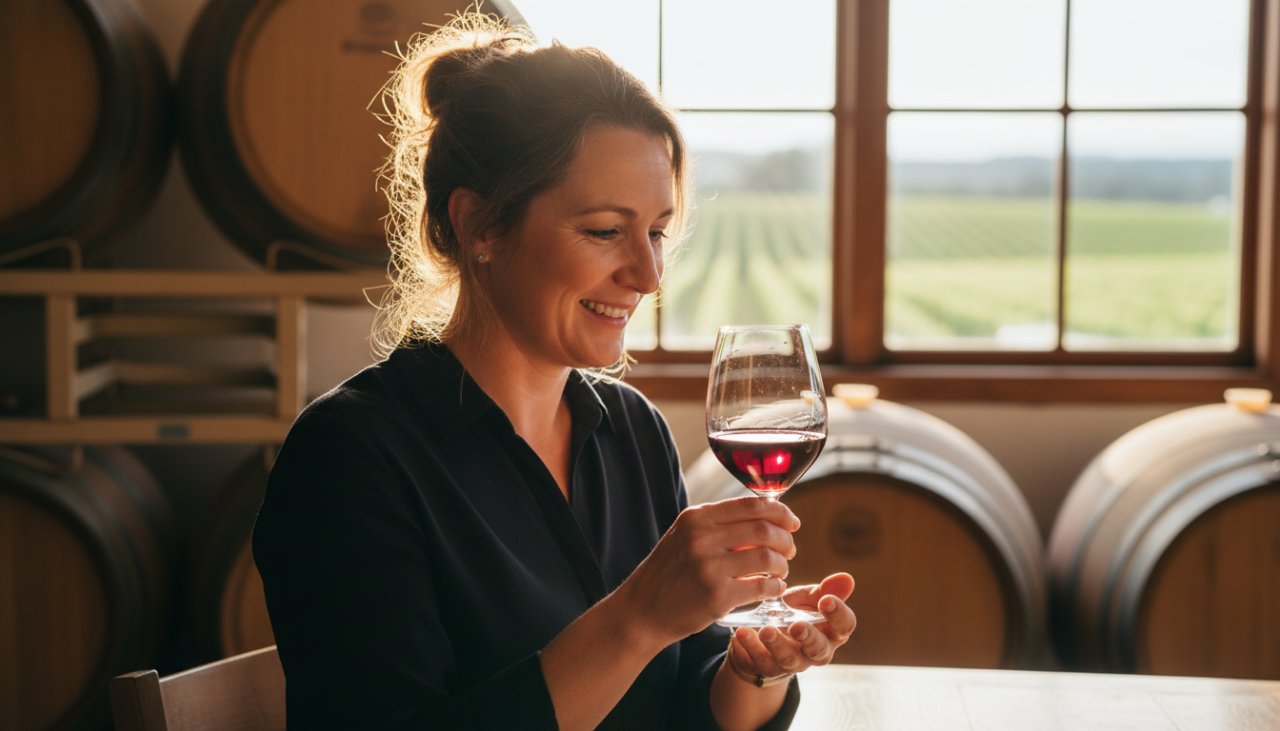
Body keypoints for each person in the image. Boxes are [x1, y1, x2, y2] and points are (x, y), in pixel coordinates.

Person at [252, 11, 856, 730]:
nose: (648, 273)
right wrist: (637, 617)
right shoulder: (350, 457)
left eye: (657, 232)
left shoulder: (633, 431)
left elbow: (683, 708)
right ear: (480, 226)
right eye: (605, 230)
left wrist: (755, 664)